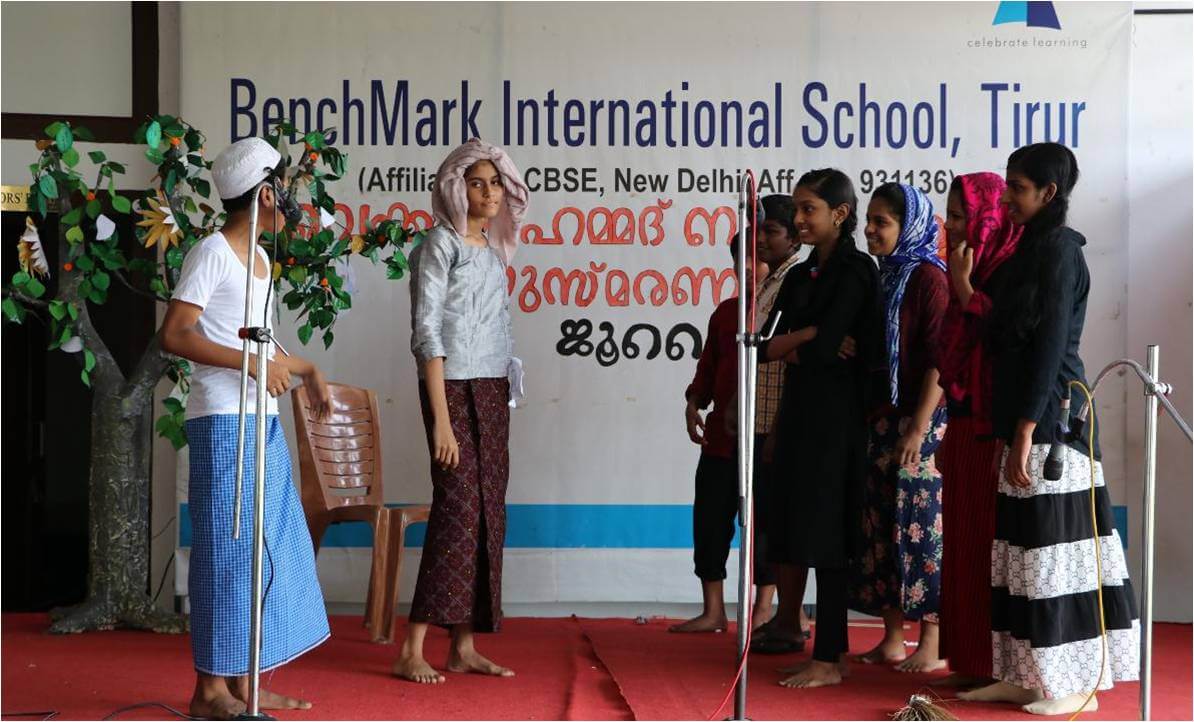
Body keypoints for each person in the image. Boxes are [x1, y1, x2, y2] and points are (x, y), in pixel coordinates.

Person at [959, 143, 1139, 715]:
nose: (1007, 198)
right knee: (1021, 555)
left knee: (1057, 560)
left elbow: (1051, 346)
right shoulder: (1025, 250)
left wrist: (1026, 430)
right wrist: (964, 287)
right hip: (1021, 419)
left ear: (1048, 192)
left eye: (1017, 187)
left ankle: (1074, 686)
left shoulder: (1061, 250)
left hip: (1052, 423)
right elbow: (1001, 334)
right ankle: (1027, 676)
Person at [160, 137, 332, 719]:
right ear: (264, 194)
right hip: (222, 421)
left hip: (262, 419)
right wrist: (254, 366)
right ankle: (209, 690)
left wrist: (305, 368)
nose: (290, 197)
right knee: (226, 552)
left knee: (268, 549)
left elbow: (259, 340)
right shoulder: (212, 252)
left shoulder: (259, 259)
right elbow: (176, 334)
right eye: (282, 186)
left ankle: (244, 683)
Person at [392, 138, 530, 685]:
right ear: (455, 188)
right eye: (477, 183)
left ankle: (463, 645)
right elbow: (426, 333)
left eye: (496, 183)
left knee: (487, 514)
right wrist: (442, 422)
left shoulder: (493, 250)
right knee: (456, 511)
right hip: (450, 389)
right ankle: (412, 647)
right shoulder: (438, 244)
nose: (490, 193)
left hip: (492, 390)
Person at [759, 169, 883, 688]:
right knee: (799, 527)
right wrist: (810, 335)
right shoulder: (800, 274)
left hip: (837, 419)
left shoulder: (856, 270)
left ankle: (831, 656)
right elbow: (766, 346)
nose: (799, 219)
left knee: (831, 535)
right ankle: (819, 648)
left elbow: (832, 347)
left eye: (808, 209)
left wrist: (807, 340)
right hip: (800, 412)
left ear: (840, 213)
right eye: (796, 209)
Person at [849, 183, 950, 673]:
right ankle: (892, 638)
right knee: (881, 528)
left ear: (908, 226)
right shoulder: (884, 276)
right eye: (869, 220)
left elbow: (939, 362)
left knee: (922, 530)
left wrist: (917, 429)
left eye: (882, 222)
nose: (870, 230)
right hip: (884, 422)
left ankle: (930, 645)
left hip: (920, 425)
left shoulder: (930, 279)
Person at [933, 172, 1023, 689]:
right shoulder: (967, 268)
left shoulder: (1010, 269)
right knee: (963, 549)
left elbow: (1002, 343)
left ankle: (995, 667)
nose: (951, 225)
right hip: (965, 427)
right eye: (949, 215)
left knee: (990, 551)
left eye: (960, 215)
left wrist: (965, 286)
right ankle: (967, 661)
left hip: (996, 430)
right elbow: (953, 360)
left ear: (987, 218)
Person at [672, 232, 769, 633]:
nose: (747, 267)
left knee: (766, 528)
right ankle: (713, 611)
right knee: (709, 521)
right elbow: (708, 367)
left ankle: (764, 610)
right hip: (720, 440)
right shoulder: (725, 313)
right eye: (739, 259)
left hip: (765, 438)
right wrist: (694, 401)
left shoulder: (781, 311)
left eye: (756, 259)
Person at [748, 194, 813, 652]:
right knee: (766, 520)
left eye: (771, 231)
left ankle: (784, 614)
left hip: (781, 419)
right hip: (760, 416)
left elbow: (788, 352)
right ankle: (781, 614)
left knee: (782, 523)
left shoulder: (795, 278)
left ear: (793, 238)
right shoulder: (769, 280)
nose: (760, 240)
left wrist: (779, 426)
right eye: (758, 231)